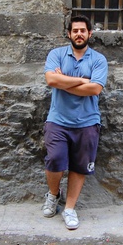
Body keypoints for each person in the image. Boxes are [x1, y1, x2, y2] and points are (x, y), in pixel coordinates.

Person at [42, 14, 108, 230]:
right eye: (75, 30)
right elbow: (51, 79)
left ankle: (69, 208)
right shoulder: (56, 54)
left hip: (87, 121)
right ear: (69, 34)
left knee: (80, 167)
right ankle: (53, 195)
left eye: (83, 30)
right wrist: (81, 80)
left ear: (89, 33)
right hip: (58, 119)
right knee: (54, 159)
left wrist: (64, 82)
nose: (79, 34)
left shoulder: (98, 60)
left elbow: (95, 88)